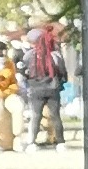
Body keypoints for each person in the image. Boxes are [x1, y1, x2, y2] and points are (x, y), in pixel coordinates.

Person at [20, 16, 69, 148]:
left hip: (36, 88)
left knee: (36, 115)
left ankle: (32, 142)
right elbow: (62, 72)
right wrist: (61, 83)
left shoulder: (28, 55)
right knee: (55, 116)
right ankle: (60, 142)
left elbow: (24, 72)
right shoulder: (55, 55)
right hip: (52, 88)